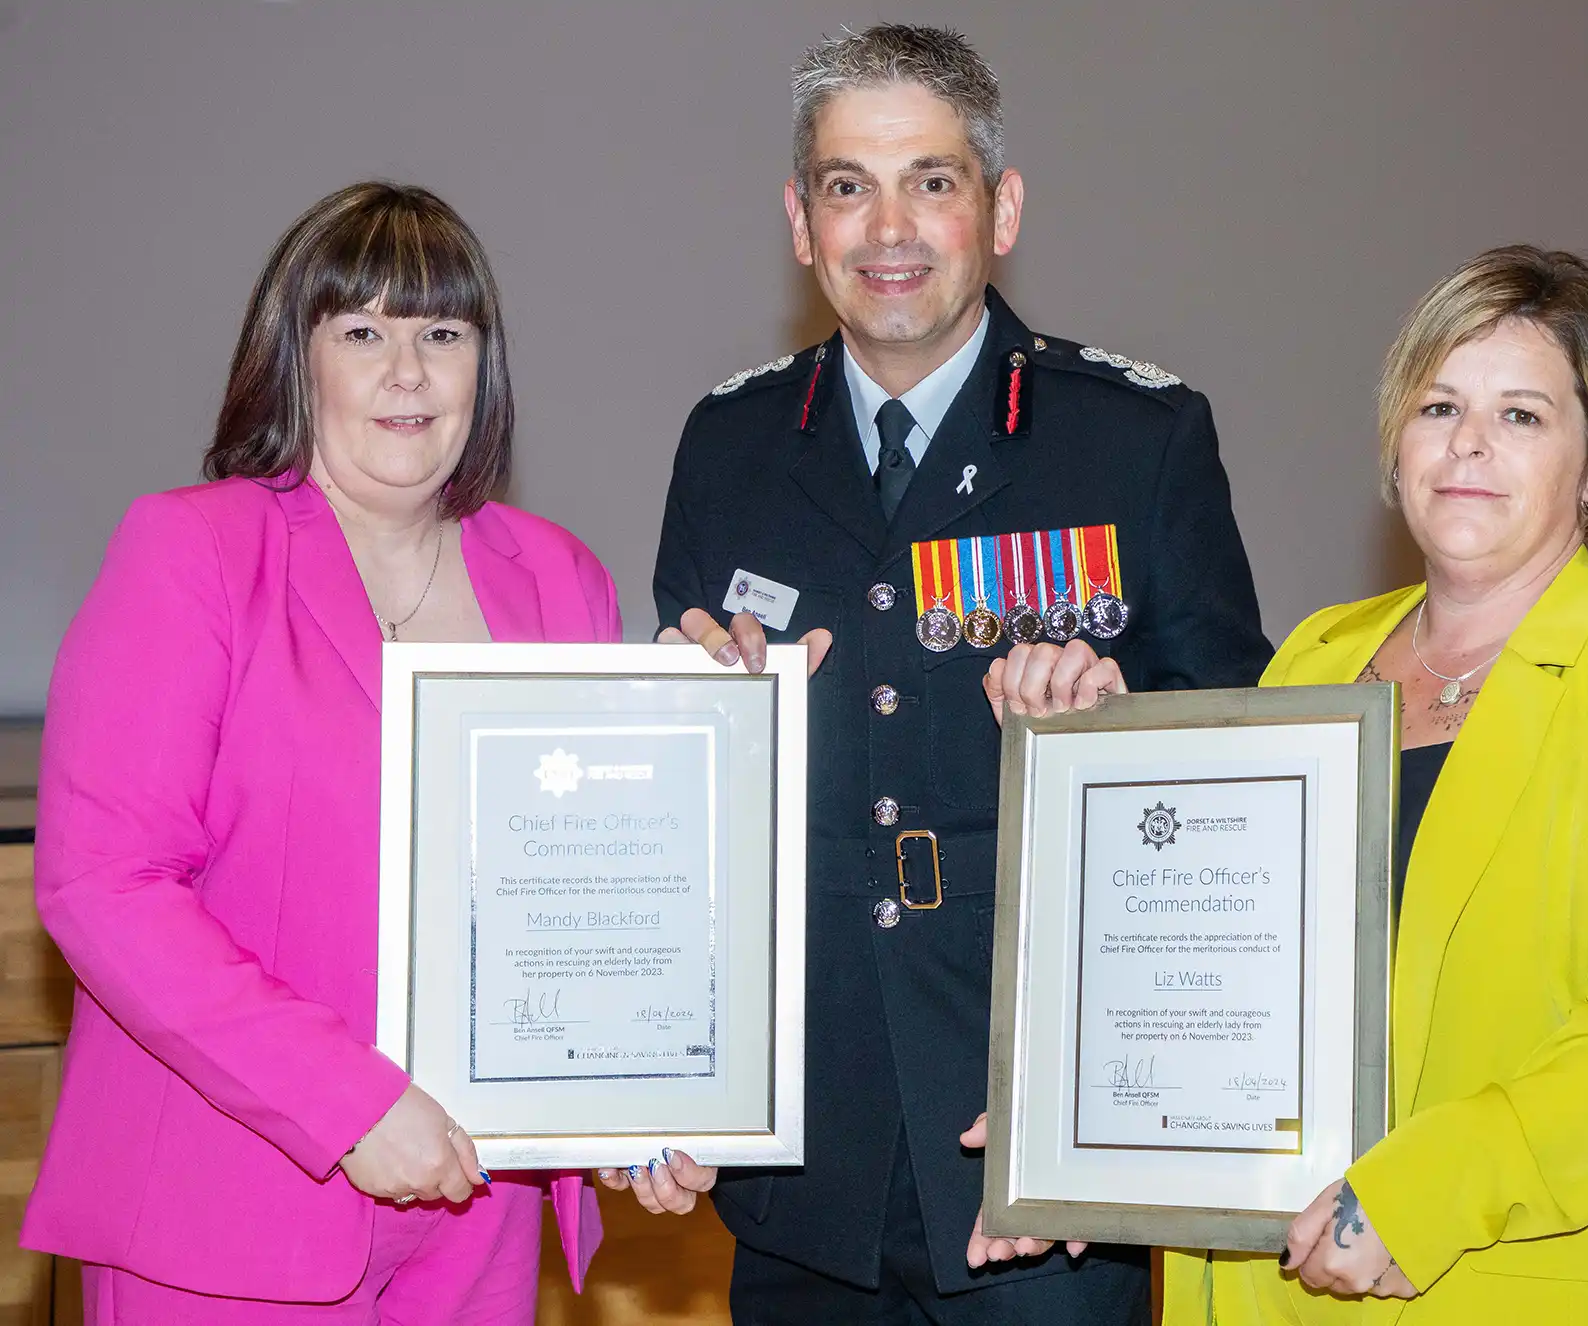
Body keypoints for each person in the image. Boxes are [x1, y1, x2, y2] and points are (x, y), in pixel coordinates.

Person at [635, 22, 1270, 1323]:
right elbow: (687, 835)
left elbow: (1237, 810)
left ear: (1002, 207)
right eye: (847, 185)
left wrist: (1119, 724)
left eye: (932, 180)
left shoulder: (1133, 443)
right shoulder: (730, 448)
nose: (891, 228)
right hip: (804, 1165)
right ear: (801, 222)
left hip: (1044, 1174)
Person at [1153, 246, 1588, 1323]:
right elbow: (1217, 953)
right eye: (1439, 405)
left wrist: (1421, 1196)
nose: (1469, 445)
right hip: (1264, 1284)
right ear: (1398, 444)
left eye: (1523, 415)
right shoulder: (1315, 655)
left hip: (1506, 1278)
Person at [24, 182, 614, 1323]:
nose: (409, 371)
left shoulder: (557, 577)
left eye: (443, 333)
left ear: (483, 368)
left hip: (481, 1201)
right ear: (294, 362)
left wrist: (648, 1118)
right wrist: (346, 1104)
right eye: (362, 333)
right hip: (230, 1195)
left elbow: (600, 888)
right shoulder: (192, 551)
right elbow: (105, 885)